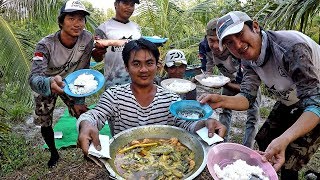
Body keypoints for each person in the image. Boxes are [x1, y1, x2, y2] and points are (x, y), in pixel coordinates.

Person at [200, 11, 320, 179]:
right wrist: (221, 100)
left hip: (315, 100)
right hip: (291, 99)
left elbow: (315, 104)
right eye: (229, 43)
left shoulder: (291, 48)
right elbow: (247, 98)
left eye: (240, 34)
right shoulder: (247, 59)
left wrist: (285, 139)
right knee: (264, 139)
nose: (238, 45)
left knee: (291, 157)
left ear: (255, 26)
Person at [77, 38, 227, 155]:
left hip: (163, 159)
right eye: (136, 64)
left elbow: (187, 124)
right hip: (125, 158)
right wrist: (86, 125)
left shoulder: (170, 98)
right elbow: (95, 115)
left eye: (149, 63)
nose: (143, 70)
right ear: (126, 67)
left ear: (157, 65)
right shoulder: (114, 96)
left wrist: (205, 123)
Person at [28, 0, 93, 168]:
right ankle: (54, 153)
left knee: (83, 114)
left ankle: (87, 149)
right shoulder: (45, 45)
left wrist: (79, 100)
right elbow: (33, 79)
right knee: (45, 121)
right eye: (71, 18)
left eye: (81, 19)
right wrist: (49, 83)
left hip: (71, 82)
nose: (77, 24)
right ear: (61, 21)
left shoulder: (86, 39)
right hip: (47, 82)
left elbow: (84, 69)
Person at [205, 18, 261, 148]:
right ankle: (221, 143)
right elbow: (207, 66)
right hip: (227, 80)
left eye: (218, 41)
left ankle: (247, 148)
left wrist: (225, 84)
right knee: (224, 111)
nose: (215, 46)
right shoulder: (205, 46)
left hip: (248, 84)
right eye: (210, 40)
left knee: (252, 117)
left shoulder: (238, 50)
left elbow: (248, 86)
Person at [92, 0, 141, 88]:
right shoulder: (103, 28)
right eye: (125, 3)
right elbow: (97, 58)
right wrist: (98, 52)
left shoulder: (136, 28)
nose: (129, 7)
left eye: (132, 4)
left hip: (136, 80)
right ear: (116, 4)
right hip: (113, 82)